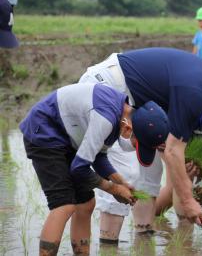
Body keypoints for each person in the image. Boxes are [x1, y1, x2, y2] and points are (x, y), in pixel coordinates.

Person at [78, 47, 202, 228]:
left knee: (150, 173)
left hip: (138, 102)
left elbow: (170, 142)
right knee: (124, 170)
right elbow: (172, 150)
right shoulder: (196, 90)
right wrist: (188, 200)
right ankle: (109, 245)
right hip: (110, 87)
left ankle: (143, 237)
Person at [19, 83, 169, 255]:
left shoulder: (120, 113)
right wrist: (113, 189)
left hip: (67, 137)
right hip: (44, 133)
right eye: (137, 144)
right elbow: (79, 168)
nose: (134, 147)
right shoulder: (105, 119)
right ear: (128, 128)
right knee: (64, 205)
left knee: (86, 203)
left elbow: (98, 157)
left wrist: (120, 182)